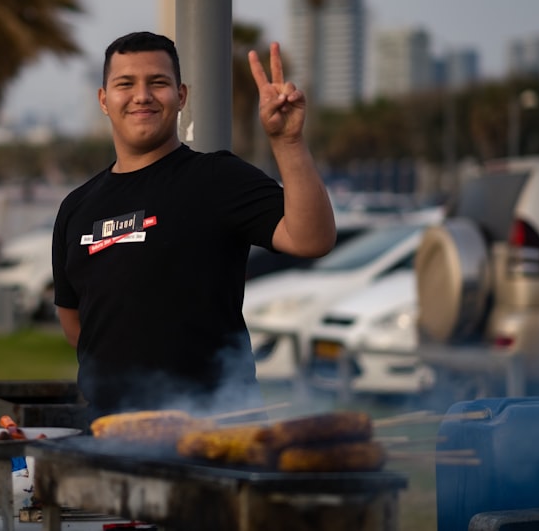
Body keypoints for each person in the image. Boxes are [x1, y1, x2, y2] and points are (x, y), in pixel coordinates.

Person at [51, 31, 337, 421]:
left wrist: (287, 142)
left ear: (181, 95)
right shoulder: (76, 208)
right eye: (125, 84)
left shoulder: (217, 177)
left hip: (217, 428)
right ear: (104, 100)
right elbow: (75, 324)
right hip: (114, 433)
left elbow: (312, 239)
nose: (142, 96)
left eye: (158, 83)